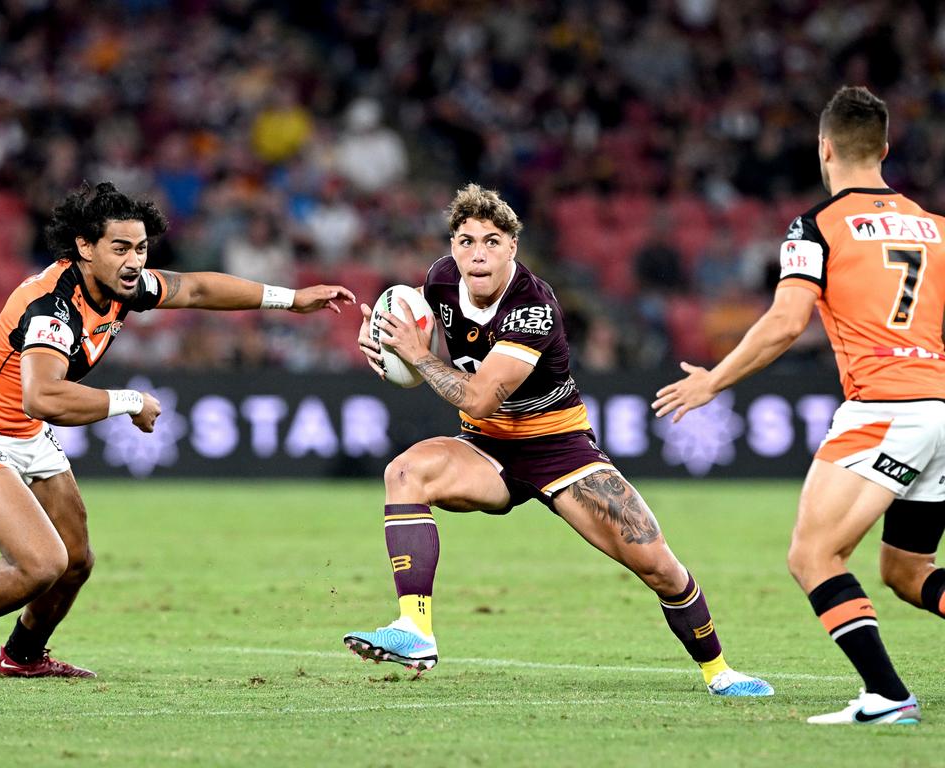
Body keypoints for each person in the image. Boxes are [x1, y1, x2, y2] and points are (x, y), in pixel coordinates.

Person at [342, 183, 772, 697]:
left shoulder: (533, 306)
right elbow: (420, 341)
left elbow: (477, 395)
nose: (477, 253)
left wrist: (417, 356)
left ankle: (720, 672)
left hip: (559, 448)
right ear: (452, 245)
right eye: (465, 240)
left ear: (513, 247)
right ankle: (415, 629)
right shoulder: (438, 280)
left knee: (656, 563)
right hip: (487, 446)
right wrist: (383, 340)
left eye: (492, 241)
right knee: (405, 472)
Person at [0, 181, 354, 687]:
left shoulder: (121, 287)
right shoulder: (52, 307)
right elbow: (42, 397)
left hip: (26, 434)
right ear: (85, 247)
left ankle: (22, 655)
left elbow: (195, 289)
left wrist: (292, 299)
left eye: (142, 248)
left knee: (76, 562)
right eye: (121, 248)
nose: (134, 261)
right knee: (42, 563)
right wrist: (129, 401)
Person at [652, 86, 938, 725]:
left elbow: (786, 322)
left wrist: (713, 382)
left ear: (824, 148)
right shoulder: (935, 228)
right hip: (940, 408)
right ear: (885, 149)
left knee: (812, 556)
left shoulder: (815, 226)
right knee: (908, 571)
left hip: (884, 406)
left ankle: (888, 697)